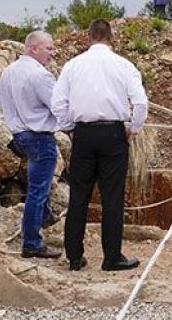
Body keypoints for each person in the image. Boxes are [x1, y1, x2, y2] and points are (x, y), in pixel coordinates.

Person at [51, 19, 148, 271]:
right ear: (111, 37)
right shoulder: (124, 66)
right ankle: (112, 257)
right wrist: (133, 129)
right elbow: (141, 103)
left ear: (89, 37)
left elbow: (58, 103)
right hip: (113, 135)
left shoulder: (73, 66)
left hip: (83, 134)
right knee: (112, 197)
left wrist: (70, 128)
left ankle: (74, 257)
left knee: (79, 196)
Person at [0, 31, 62, 259]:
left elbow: (2, 104)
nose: (52, 53)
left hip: (19, 136)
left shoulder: (8, 72)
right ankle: (32, 242)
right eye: (49, 48)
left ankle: (45, 217)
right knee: (37, 190)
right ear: (33, 48)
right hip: (39, 137)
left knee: (36, 185)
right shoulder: (40, 75)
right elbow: (59, 107)